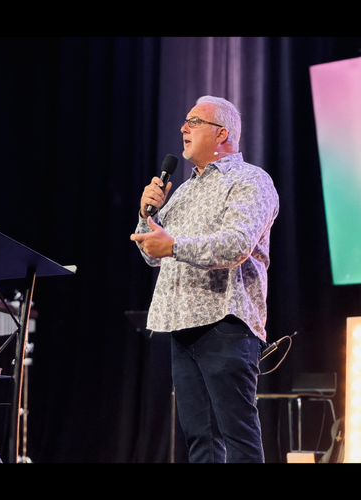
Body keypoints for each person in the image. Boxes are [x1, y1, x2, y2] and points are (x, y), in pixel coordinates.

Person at [130, 96, 279, 463]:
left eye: (194, 121)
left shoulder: (250, 180)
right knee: (201, 441)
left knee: (238, 436)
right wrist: (147, 214)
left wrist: (173, 245)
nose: (184, 128)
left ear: (222, 133)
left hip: (225, 323)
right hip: (181, 325)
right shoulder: (183, 190)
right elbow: (151, 253)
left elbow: (235, 244)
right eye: (185, 121)